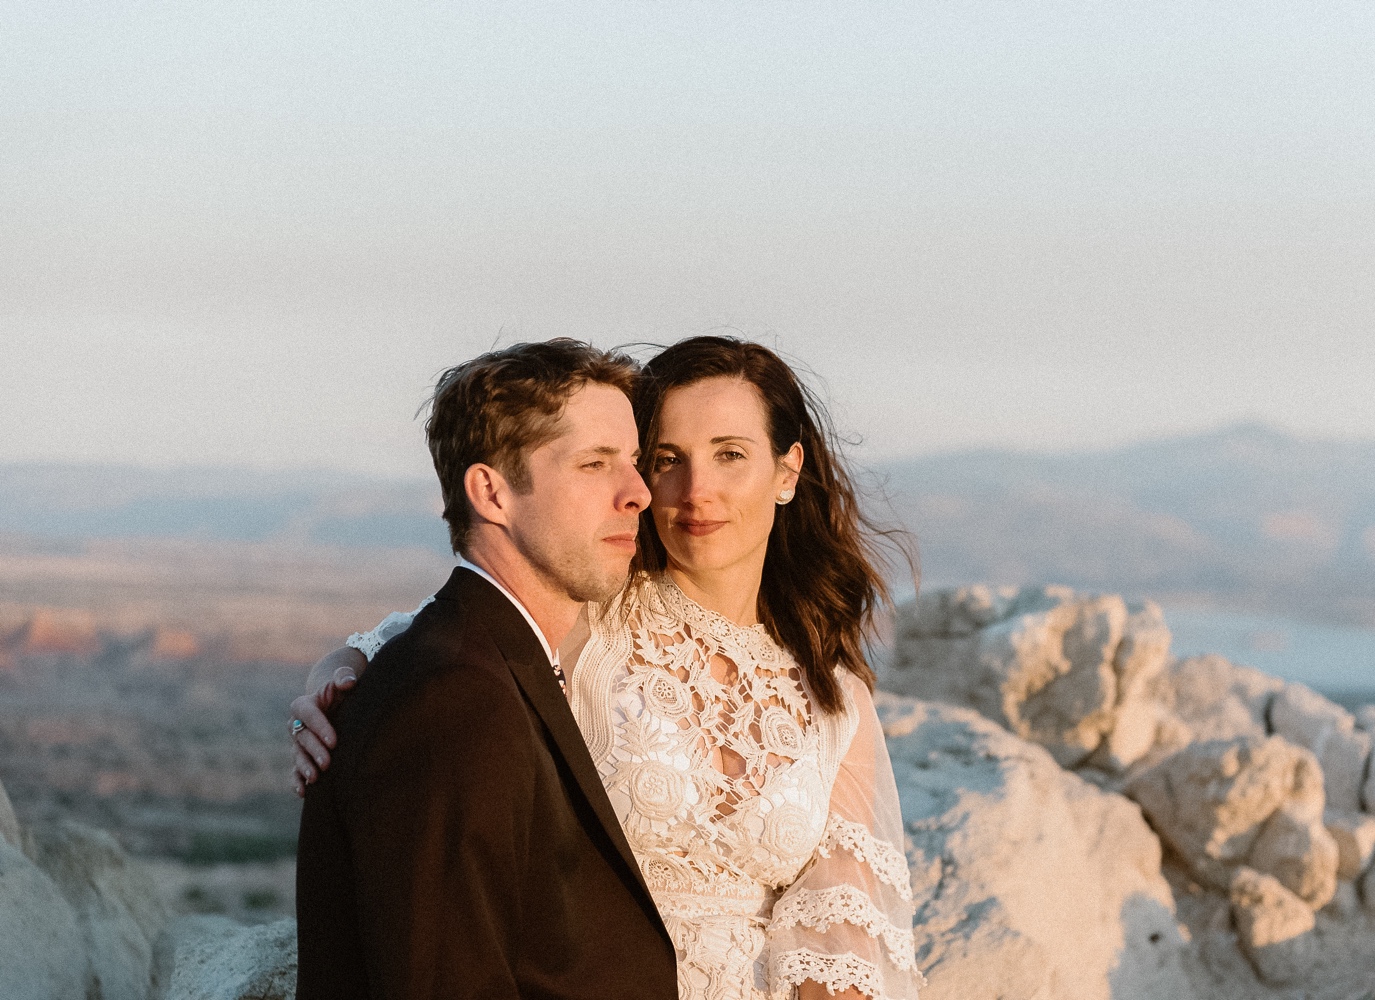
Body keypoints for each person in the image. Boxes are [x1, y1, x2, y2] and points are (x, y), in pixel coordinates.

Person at [292, 336, 923, 1000]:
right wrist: (338, 675)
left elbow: (840, 947)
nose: (694, 490)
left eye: (730, 455)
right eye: (665, 460)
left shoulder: (832, 696)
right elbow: (449, 645)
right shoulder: (591, 613)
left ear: (788, 472)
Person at [293, 340, 678, 1000]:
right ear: (492, 492)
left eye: (636, 464)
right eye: (595, 464)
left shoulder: (491, 663)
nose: (638, 493)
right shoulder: (455, 699)